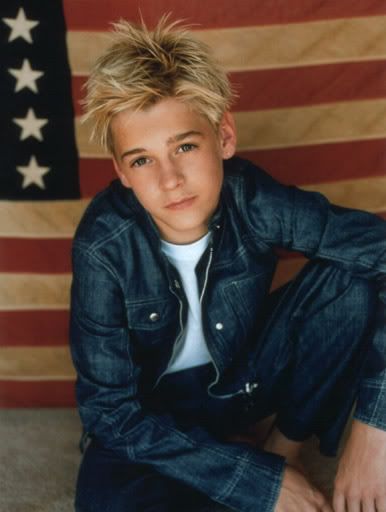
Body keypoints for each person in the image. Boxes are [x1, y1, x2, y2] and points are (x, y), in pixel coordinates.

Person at [70, 16, 386, 512]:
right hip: (155, 412)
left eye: (186, 147)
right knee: (106, 503)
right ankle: (261, 467)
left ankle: (284, 450)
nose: (170, 178)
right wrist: (257, 482)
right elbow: (110, 411)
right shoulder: (103, 244)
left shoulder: (251, 198)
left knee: (351, 282)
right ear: (121, 173)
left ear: (225, 137)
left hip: (246, 382)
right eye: (142, 160)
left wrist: (375, 428)